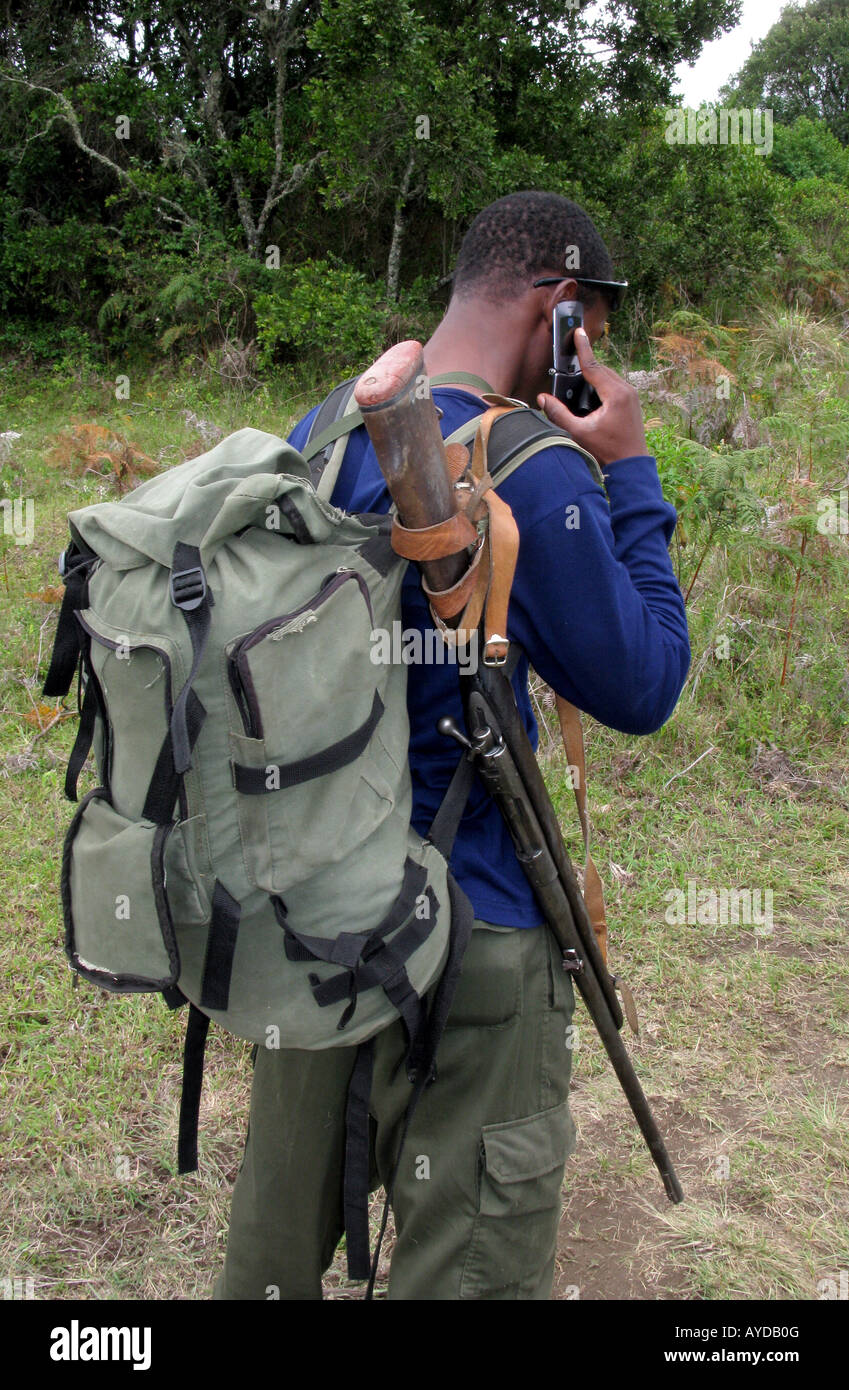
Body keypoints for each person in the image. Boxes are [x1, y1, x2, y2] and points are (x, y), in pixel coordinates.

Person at [213, 190, 690, 1301]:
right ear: (558, 308)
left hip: (317, 911)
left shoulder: (323, 427)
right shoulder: (534, 465)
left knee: (273, 1250)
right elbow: (648, 680)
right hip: (480, 930)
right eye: (591, 336)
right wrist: (630, 470)